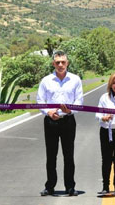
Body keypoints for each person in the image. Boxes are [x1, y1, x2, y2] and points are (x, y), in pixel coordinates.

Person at [37, 50, 83, 197]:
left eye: (63, 62)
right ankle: (50, 186)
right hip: (51, 122)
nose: (60, 65)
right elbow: (40, 101)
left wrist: (70, 111)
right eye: (58, 62)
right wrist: (49, 112)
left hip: (68, 121)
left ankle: (70, 187)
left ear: (67, 63)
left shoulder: (75, 80)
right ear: (53, 64)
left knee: (68, 155)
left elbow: (79, 101)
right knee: (51, 156)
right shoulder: (46, 81)